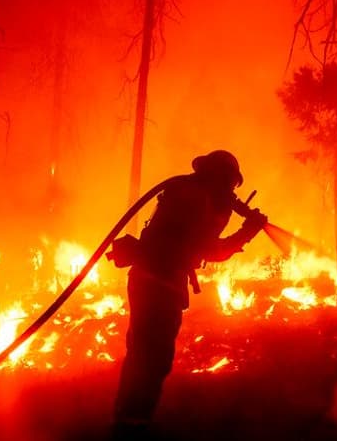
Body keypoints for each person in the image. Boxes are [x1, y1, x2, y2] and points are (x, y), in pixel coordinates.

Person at [112, 150, 267, 438]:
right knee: (153, 358)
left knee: (141, 353)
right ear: (220, 178)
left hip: (150, 279)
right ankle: (133, 425)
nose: (231, 194)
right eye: (231, 185)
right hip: (160, 283)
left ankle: (126, 420)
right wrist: (248, 230)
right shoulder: (197, 199)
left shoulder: (188, 192)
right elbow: (211, 250)